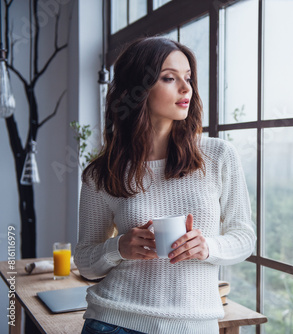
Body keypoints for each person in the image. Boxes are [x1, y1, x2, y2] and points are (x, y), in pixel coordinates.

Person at [74, 37, 256, 334]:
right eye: (169, 78)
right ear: (137, 88)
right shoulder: (103, 173)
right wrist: (119, 247)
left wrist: (206, 246)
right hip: (115, 322)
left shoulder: (218, 156)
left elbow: (244, 237)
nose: (186, 89)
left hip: (195, 325)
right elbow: (85, 261)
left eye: (188, 78)